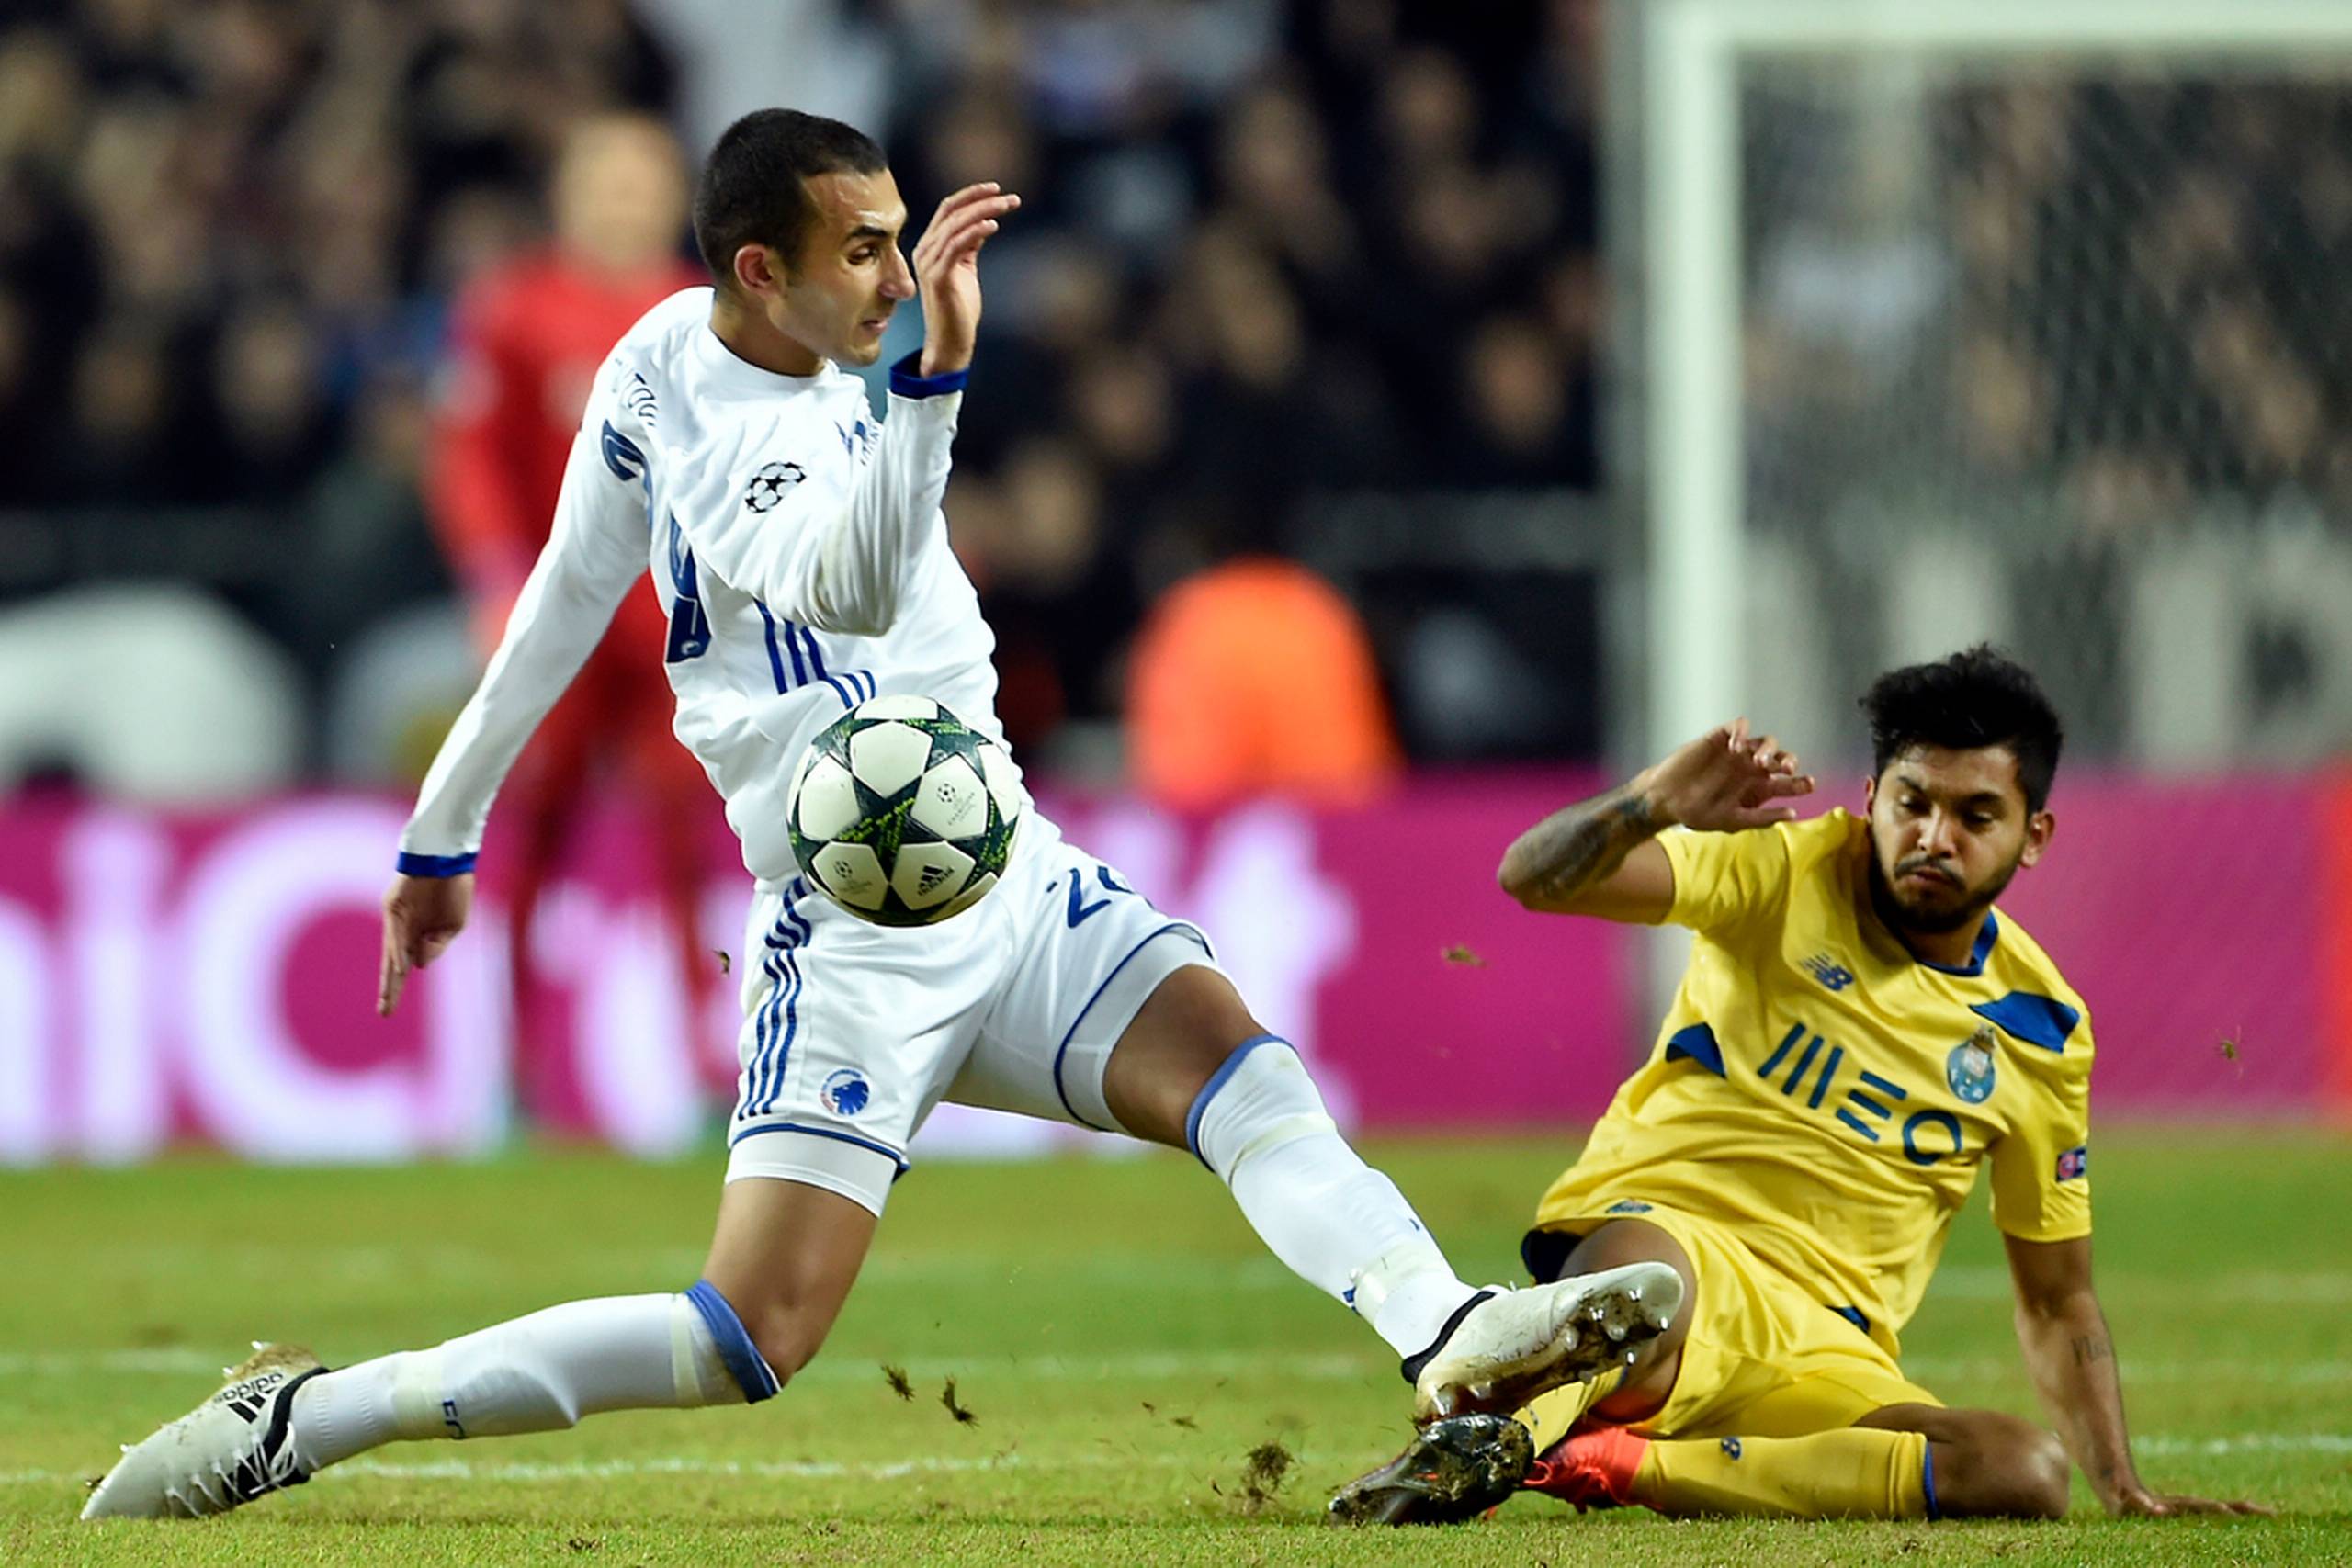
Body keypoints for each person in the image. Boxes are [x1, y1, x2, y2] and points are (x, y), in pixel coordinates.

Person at [82, 108, 1679, 1520]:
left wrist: (440, 837)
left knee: (1240, 1072)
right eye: (862, 249)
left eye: (899, 236)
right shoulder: (744, 430)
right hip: (861, 922)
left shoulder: (668, 352)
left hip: (1002, 862)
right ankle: (305, 1413)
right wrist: (935, 385)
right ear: (761, 271)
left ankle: (1443, 1324)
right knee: (743, 1340)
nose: (895, 272)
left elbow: (565, 597)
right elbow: (833, 579)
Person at [1330, 647, 2268, 1526]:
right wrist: (1651, 801)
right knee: (1634, 1297)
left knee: (2018, 1470)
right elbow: (1531, 876)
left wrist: (2121, 1485)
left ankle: (1585, 1458)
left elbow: (2056, 1298)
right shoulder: (1786, 870)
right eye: (1911, 802)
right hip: (1673, 1243)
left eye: (1974, 816)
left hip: (1825, 1349)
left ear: (2033, 836)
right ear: (1871, 796)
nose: (1932, 837)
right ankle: (1503, 1416)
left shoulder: (2042, 1028)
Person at [426, 112, 718, 1111]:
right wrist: (496, 577)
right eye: (606, 181)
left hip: (671, 626)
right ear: (567, 193)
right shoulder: (511, 310)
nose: (622, 202)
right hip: (558, 620)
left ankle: (708, 1068)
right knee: (535, 836)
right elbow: (469, 458)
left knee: (686, 834)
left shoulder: (712, 313)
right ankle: (514, 1064)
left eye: (641, 182)